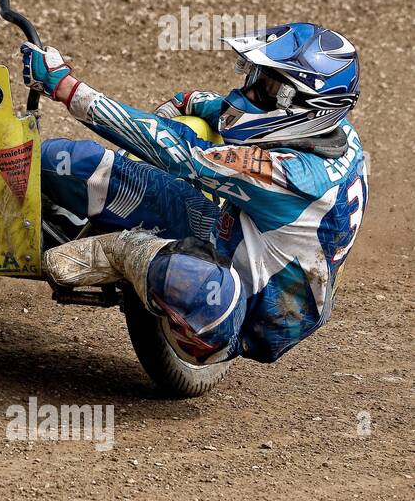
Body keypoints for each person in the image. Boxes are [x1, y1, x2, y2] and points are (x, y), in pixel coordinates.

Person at [25, 23, 366, 366]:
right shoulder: (339, 132)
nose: (247, 93)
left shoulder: (290, 177)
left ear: (311, 107)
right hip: (231, 235)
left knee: (188, 277)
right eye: (256, 77)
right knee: (59, 162)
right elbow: (253, 121)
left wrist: (67, 87)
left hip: (253, 315)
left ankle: (125, 252)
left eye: (268, 88)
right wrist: (200, 103)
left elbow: (181, 153)